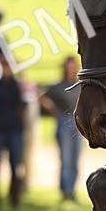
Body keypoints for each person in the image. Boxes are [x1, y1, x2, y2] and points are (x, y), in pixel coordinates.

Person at [40, 57, 82, 201]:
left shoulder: (80, 85)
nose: (70, 69)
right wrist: (53, 110)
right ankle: (65, 191)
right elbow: (41, 95)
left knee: (75, 159)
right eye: (68, 66)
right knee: (65, 158)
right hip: (63, 122)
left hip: (78, 124)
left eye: (72, 66)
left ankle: (72, 190)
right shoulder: (58, 86)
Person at [0, 56, 25, 206]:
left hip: (14, 128)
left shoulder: (18, 85)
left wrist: (21, 71)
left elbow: (29, 90)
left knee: (15, 164)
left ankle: (14, 197)